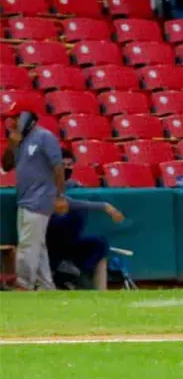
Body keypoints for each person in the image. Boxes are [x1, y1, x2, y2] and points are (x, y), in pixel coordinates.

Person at [1, 100, 67, 291]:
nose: (10, 123)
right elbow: (6, 166)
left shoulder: (45, 137)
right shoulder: (19, 140)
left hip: (40, 198)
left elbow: (58, 167)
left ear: (26, 117)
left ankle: (24, 283)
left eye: (14, 118)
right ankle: (47, 286)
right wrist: (11, 146)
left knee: (28, 245)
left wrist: (60, 196)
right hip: (25, 198)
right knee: (37, 246)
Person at [47, 156, 126, 291]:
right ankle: (62, 270)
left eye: (69, 165)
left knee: (99, 243)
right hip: (49, 240)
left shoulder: (69, 184)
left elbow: (70, 187)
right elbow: (69, 203)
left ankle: (81, 275)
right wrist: (105, 206)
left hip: (70, 243)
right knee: (75, 215)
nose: (66, 168)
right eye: (63, 165)